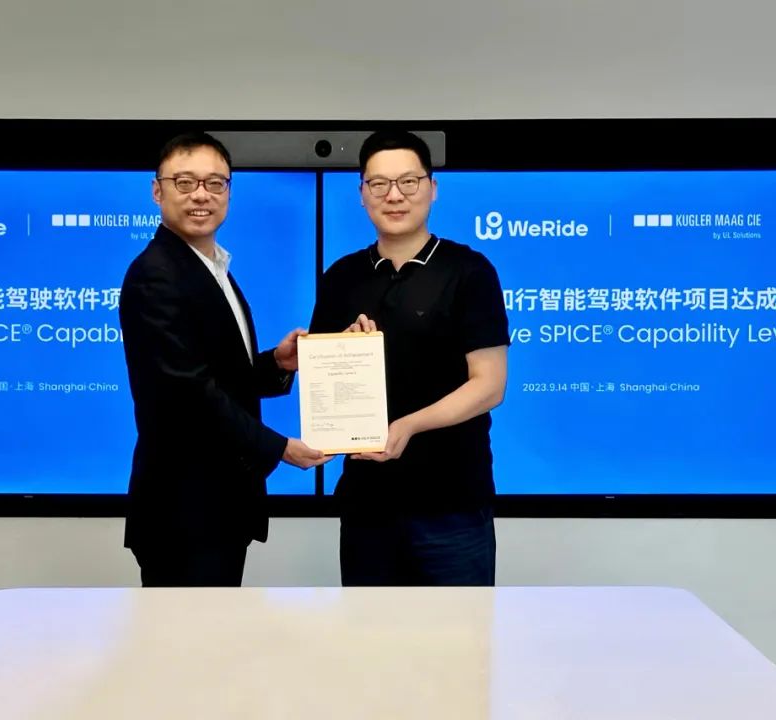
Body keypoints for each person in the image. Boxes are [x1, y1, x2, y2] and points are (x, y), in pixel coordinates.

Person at [119, 132, 326, 587]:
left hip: (216, 505)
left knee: (216, 628)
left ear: (228, 192)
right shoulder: (156, 275)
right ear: (157, 191)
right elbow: (188, 391)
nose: (201, 195)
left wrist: (277, 363)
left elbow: (220, 374)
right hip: (184, 509)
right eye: (185, 182)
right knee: (188, 632)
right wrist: (279, 448)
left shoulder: (211, 267)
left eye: (215, 183)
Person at [309, 129, 510, 586]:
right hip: (367, 505)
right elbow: (324, 385)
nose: (394, 195)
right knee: (369, 630)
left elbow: (489, 384)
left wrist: (408, 426)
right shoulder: (341, 277)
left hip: (452, 505)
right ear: (362, 193)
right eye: (378, 184)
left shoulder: (469, 271)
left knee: (457, 631)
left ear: (432, 188)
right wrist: (343, 353)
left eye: (408, 182)